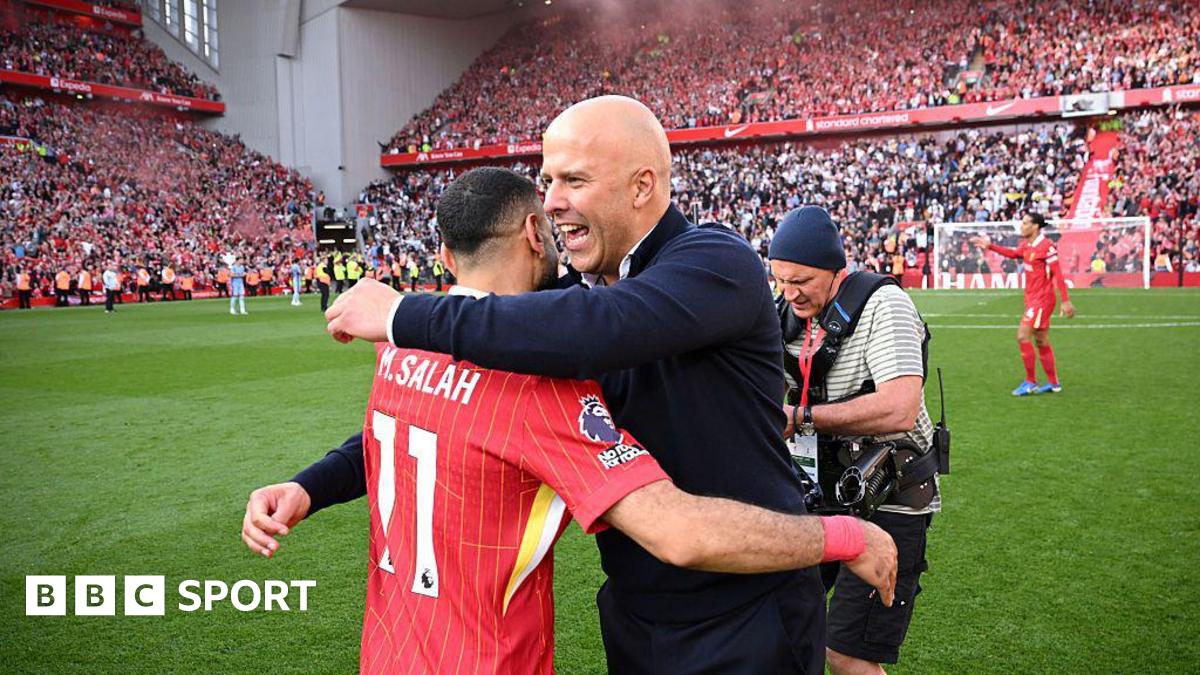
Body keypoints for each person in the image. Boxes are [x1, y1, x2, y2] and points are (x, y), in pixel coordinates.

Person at [245, 167, 896, 674]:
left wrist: (309, 485)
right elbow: (680, 531)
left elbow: (411, 434)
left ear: (444, 256)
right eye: (550, 190)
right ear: (535, 232)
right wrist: (845, 536)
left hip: (389, 650)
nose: (560, 205)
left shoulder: (402, 354)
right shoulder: (534, 386)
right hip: (494, 659)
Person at [772, 206, 940, 674]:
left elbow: (899, 406)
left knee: (848, 653)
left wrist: (801, 417)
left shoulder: (885, 304)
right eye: (780, 279)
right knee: (783, 623)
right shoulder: (784, 309)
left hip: (891, 494)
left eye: (801, 280)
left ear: (835, 270)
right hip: (818, 491)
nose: (789, 292)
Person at [971, 212, 1076, 395]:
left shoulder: (1047, 247)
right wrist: (990, 246)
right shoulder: (1027, 245)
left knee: (1022, 336)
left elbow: (1058, 274)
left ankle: (1031, 382)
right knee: (1041, 340)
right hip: (1032, 299)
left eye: (1026, 223)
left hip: (1042, 300)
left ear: (1035, 226)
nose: (1022, 226)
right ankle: (1053, 383)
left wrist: (1065, 301)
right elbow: (1013, 254)